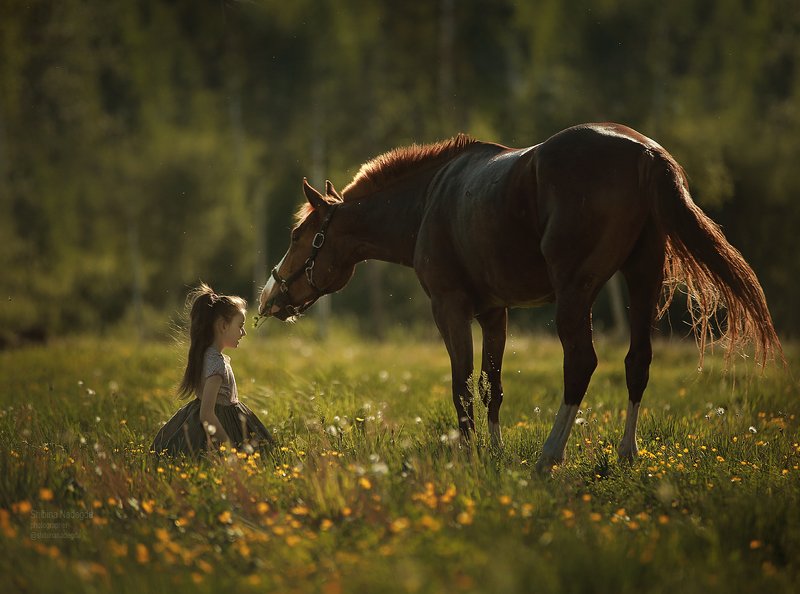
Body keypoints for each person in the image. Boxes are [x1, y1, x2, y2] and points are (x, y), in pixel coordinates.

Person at [151, 283, 273, 458]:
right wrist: (229, 448)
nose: (243, 332)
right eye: (240, 325)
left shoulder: (205, 355)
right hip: (223, 424)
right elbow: (207, 414)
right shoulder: (217, 365)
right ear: (223, 326)